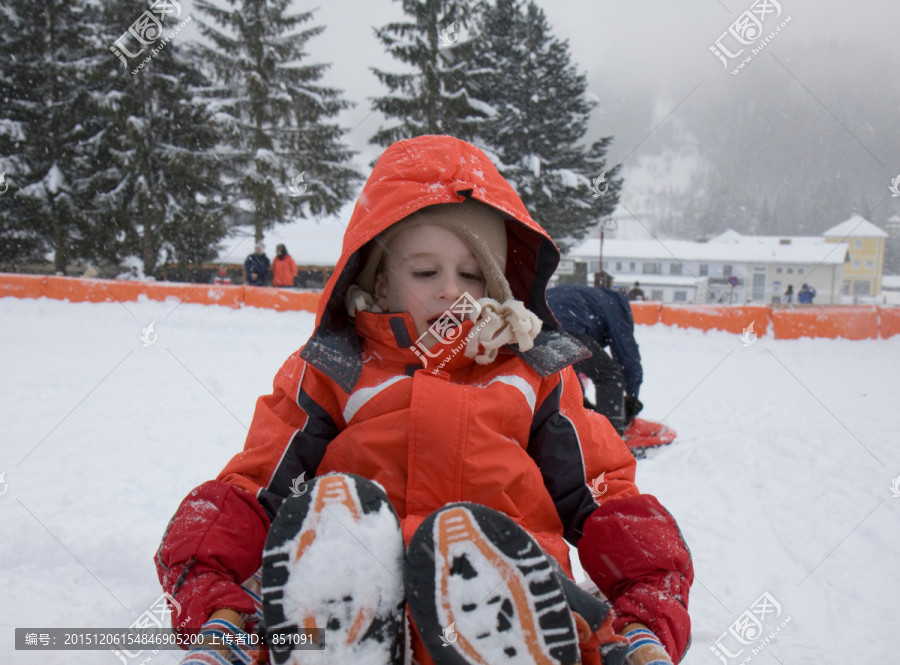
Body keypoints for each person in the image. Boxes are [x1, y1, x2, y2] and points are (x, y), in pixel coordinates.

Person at [156, 136, 692, 665]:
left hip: (514, 600)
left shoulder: (532, 374)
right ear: (380, 282)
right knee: (333, 520)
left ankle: (523, 627)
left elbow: (602, 496)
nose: (450, 292)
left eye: (472, 274)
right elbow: (255, 488)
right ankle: (316, 631)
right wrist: (211, 596)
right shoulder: (336, 369)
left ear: (500, 287)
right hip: (361, 593)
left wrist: (647, 606)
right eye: (425, 272)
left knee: (561, 611)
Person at [546, 278, 643, 436]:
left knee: (560, 383)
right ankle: (610, 443)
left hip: (533, 328)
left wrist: (583, 403)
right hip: (565, 328)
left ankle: (573, 429)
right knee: (610, 375)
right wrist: (632, 397)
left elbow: (571, 364)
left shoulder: (590, 297)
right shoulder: (615, 306)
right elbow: (627, 356)